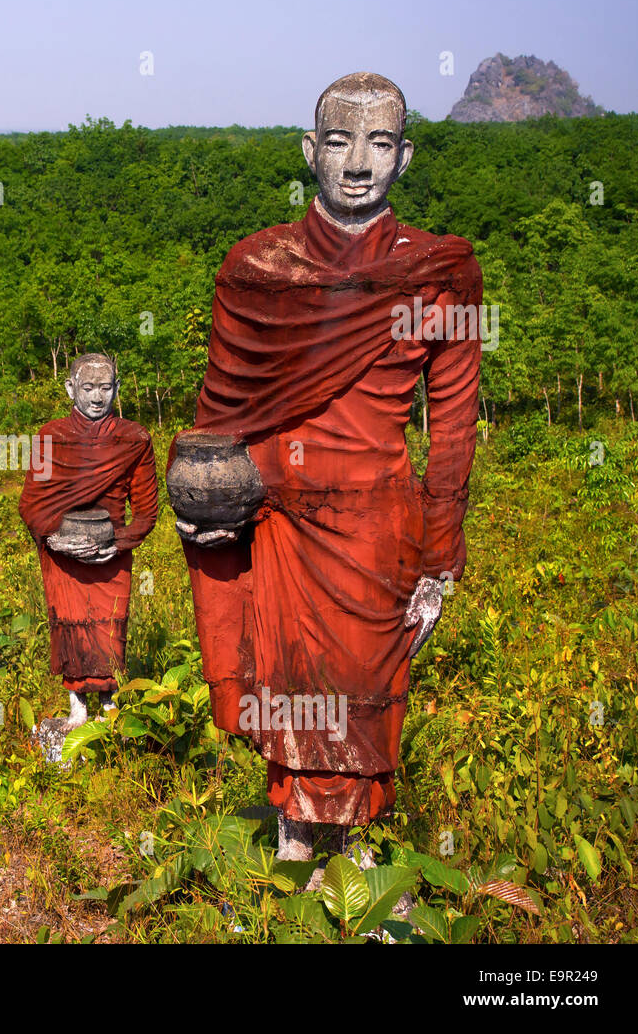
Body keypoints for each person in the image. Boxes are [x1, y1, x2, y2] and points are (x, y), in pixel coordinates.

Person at [172, 73, 482, 861]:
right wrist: (201, 504)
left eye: (379, 142)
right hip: (272, 515)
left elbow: (451, 433)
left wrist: (439, 557)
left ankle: (359, 858)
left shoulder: (441, 272)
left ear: (405, 157)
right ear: (309, 151)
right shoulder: (256, 268)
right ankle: (293, 841)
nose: (357, 161)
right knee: (283, 681)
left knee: (361, 692)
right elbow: (221, 415)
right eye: (339, 140)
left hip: (377, 526)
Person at [19, 353, 158, 728]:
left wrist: (120, 541)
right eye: (88, 388)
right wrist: (53, 539)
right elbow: (31, 503)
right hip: (64, 552)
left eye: (106, 388)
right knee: (69, 621)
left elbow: (146, 510)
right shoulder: (51, 437)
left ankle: (111, 705)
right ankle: (77, 707)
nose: (98, 398)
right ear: (70, 388)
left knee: (111, 624)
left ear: (117, 388)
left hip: (110, 551)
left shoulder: (134, 438)